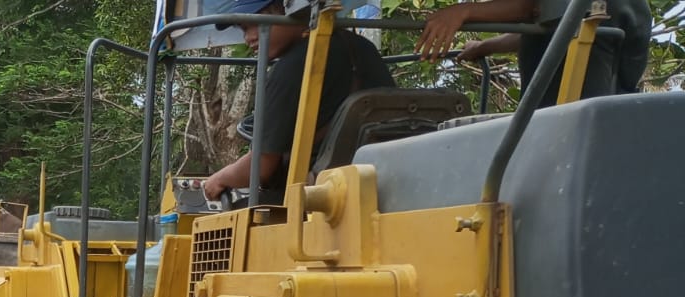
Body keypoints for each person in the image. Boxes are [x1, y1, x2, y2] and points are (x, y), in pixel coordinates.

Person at [203, 0, 394, 201]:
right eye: (244, 29)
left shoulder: (289, 68)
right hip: (380, 179)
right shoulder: (361, 47)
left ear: (286, 10)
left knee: (234, 215)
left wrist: (219, 179)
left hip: (324, 194)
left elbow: (262, 167)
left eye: (252, 25)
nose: (248, 38)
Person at [417, 0, 650, 103]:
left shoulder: (592, 17)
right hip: (607, 107)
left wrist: (463, 11)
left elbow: (531, 7)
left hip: (578, 118)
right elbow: (550, 28)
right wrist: (484, 47)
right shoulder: (571, 17)